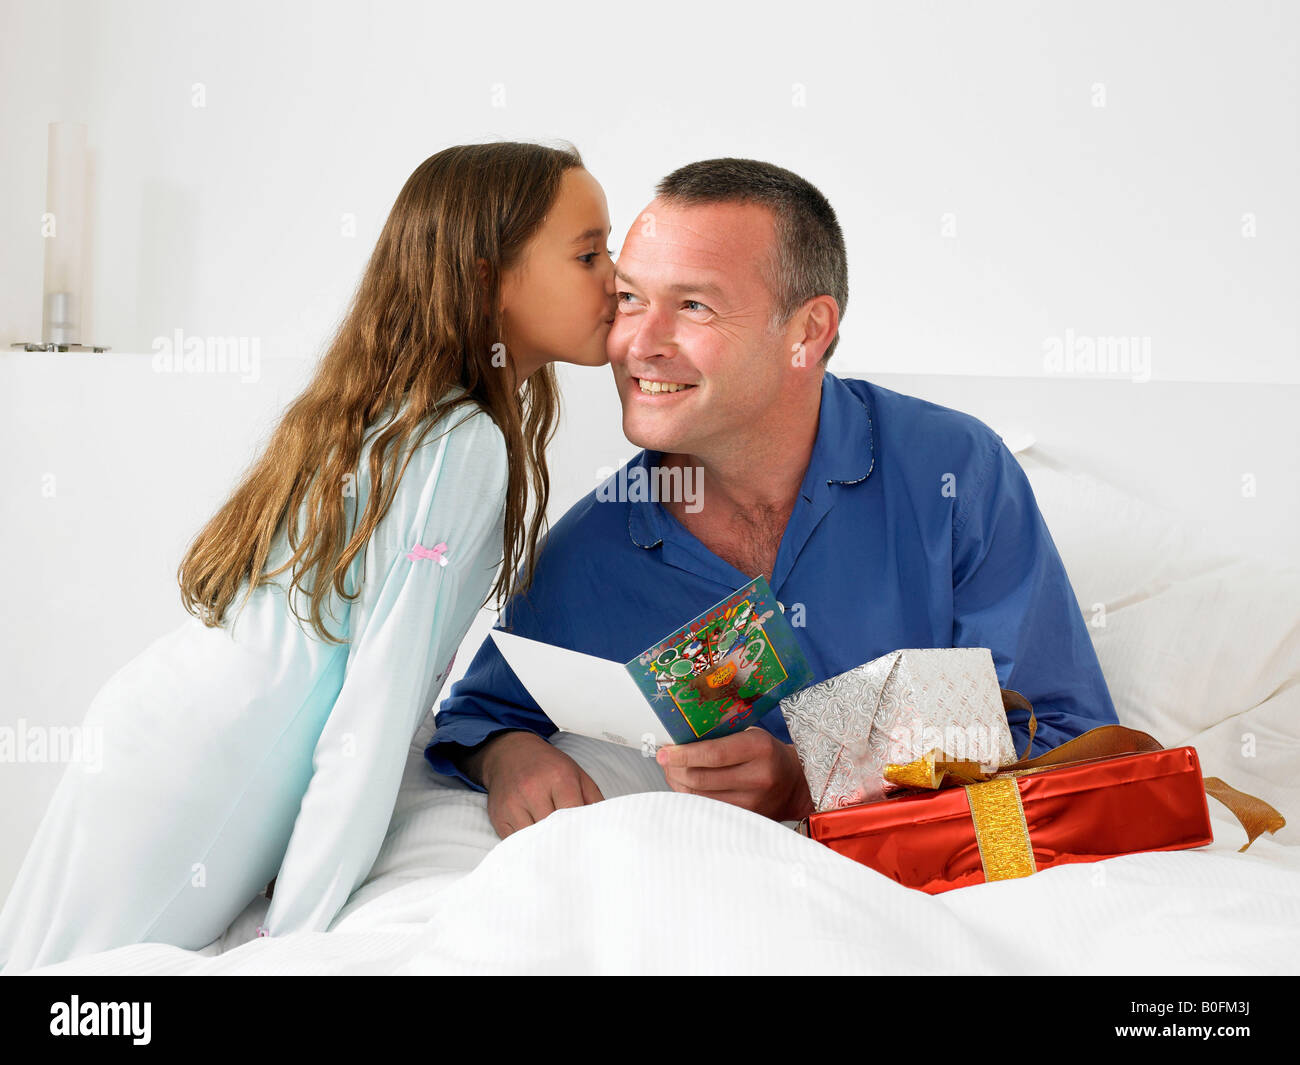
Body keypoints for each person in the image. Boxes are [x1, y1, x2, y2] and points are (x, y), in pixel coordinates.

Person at [0, 140, 616, 972]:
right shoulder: (457, 440)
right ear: (488, 277)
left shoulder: (420, 417)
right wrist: (296, 943)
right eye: (589, 254)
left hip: (164, 735)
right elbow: (373, 710)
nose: (615, 279)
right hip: (198, 771)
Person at [425, 156, 1120, 840]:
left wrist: (812, 769)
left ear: (807, 332)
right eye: (631, 298)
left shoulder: (957, 473)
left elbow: (1059, 729)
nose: (639, 342)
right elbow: (478, 711)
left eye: (694, 305)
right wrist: (508, 756)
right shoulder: (590, 551)